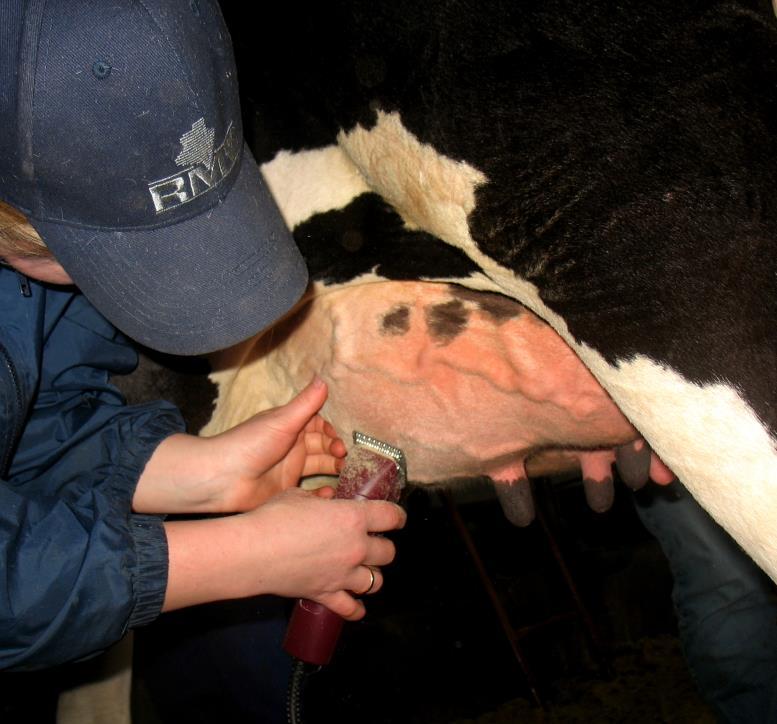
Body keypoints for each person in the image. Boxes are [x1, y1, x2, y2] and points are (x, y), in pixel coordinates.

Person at [0, 0, 405, 682]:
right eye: (95, 244)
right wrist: (233, 556)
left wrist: (191, 475)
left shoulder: (28, 258)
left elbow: (32, 423)